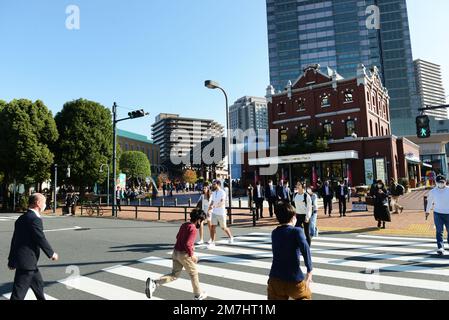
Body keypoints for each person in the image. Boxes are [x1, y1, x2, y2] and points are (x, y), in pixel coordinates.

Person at [146, 208, 208, 300]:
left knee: (174, 275)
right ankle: (198, 295)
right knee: (194, 273)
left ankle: (154, 283)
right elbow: (188, 244)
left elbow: (177, 236)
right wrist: (192, 255)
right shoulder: (193, 228)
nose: (202, 223)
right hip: (184, 255)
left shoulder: (184, 225)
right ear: (199, 220)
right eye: (202, 221)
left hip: (175, 252)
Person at [7, 193, 59, 300]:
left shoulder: (21, 218)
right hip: (27, 263)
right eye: (44, 202)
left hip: (28, 262)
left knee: (38, 285)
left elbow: (15, 240)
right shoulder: (35, 219)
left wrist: (11, 259)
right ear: (38, 203)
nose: (45, 204)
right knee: (18, 294)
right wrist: (51, 254)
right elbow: (40, 238)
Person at [268, 201, 313, 300]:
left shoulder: (274, 233)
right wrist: (309, 270)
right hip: (294, 279)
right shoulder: (297, 231)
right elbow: (306, 249)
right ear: (293, 217)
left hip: (275, 278)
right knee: (305, 297)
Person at [425, 175, 449, 256]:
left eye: (442, 182)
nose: (441, 184)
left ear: (445, 182)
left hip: (448, 213)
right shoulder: (433, 191)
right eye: (439, 182)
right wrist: (427, 211)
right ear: (436, 183)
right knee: (439, 231)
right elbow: (430, 202)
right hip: (437, 213)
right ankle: (440, 247)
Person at [207, 180, 234, 248]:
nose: (213, 185)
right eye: (212, 184)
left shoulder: (222, 192)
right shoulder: (213, 193)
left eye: (214, 184)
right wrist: (209, 210)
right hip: (214, 212)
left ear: (218, 185)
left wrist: (215, 206)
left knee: (223, 227)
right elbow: (212, 202)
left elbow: (222, 202)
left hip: (221, 213)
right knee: (213, 227)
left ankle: (231, 237)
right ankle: (213, 242)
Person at [293, 182, 313, 246]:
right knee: (296, 231)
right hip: (298, 215)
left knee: (307, 233)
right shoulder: (295, 195)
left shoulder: (306, 195)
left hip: (305, 216)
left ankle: (308, 247)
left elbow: (309, 207)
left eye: (299, 185)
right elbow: (294, 206)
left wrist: (307, 217)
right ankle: (299, 245)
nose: (297, 186)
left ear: (302, 186)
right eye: (297, 184)